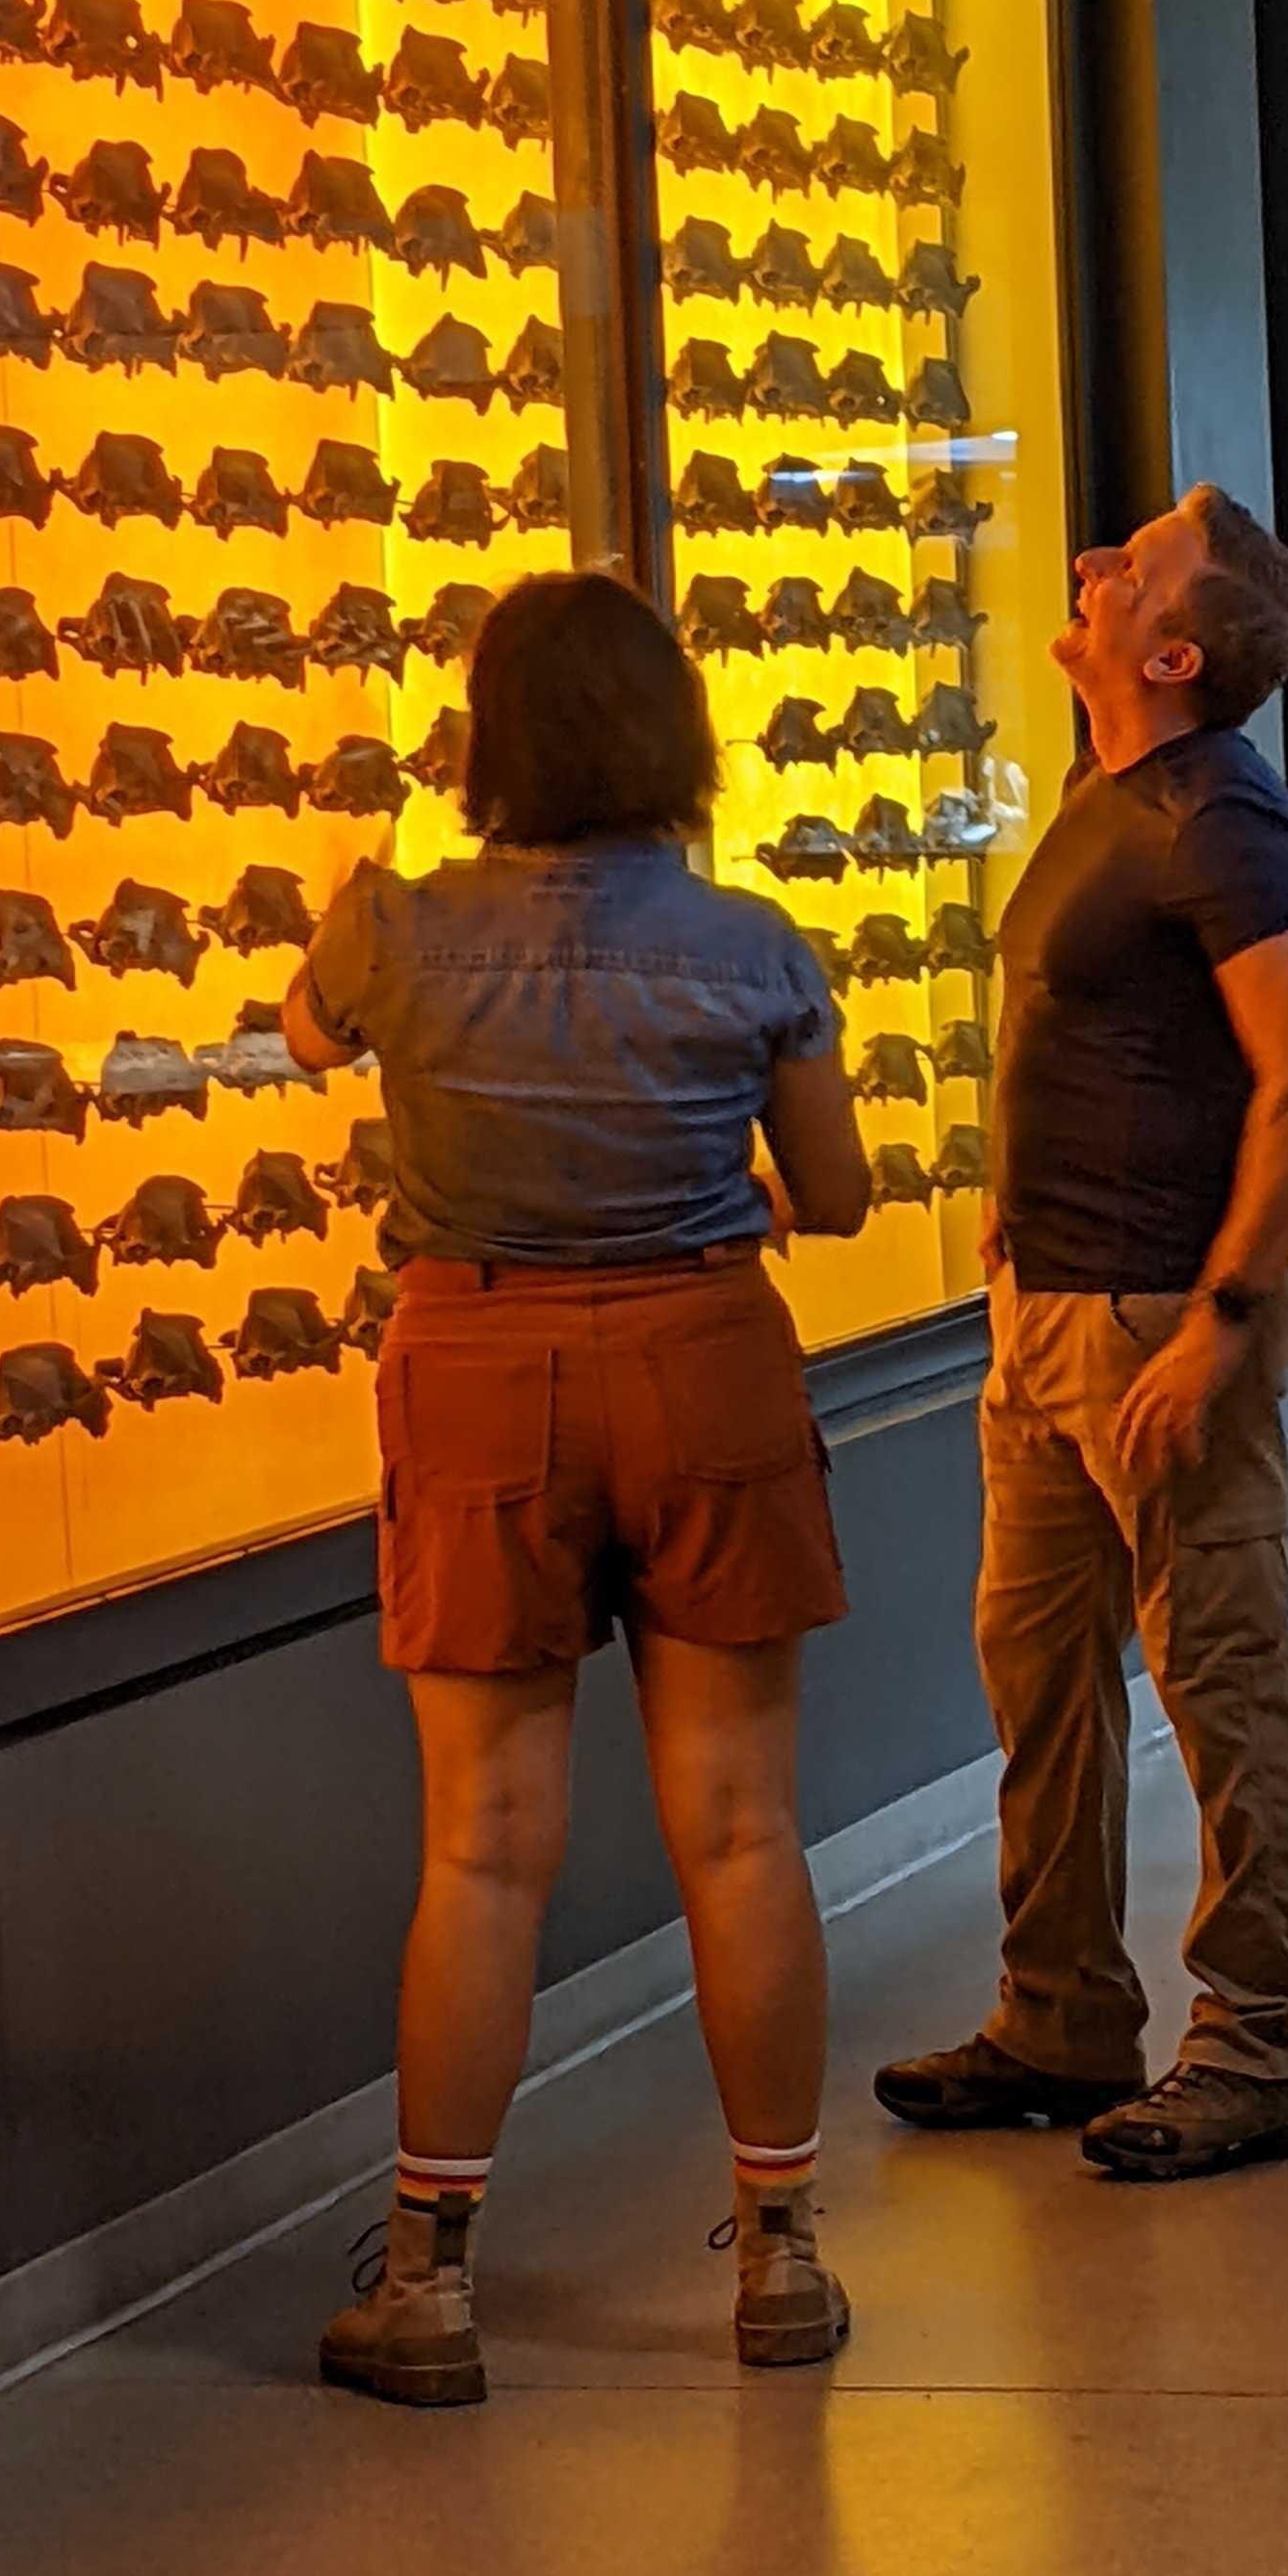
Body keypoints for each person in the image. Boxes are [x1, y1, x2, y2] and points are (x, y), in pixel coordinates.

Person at [283, 568, 872, 2408]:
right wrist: (724, 1204)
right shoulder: (756, 948)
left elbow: (306, 1041)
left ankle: (433, 2280)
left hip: (475, 1373)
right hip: (704, 1358)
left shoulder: (393, 928)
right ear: (676, 740)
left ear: (491, 743)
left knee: (480, 1841)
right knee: (740, 1827)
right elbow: (838, 1192)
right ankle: (779, 2251)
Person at [874, 484, 1288, 2180]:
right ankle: (1062, 2014)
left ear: (1170, 651)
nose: (1090, 561)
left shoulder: (1223, 818)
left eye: (1132, 564)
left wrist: (1226, 1315)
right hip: (1047, 1327)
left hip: (1164, 1325)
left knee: (1220, 1680)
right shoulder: (1114, 791)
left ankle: (1258, 2046)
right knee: (1043, 1677)